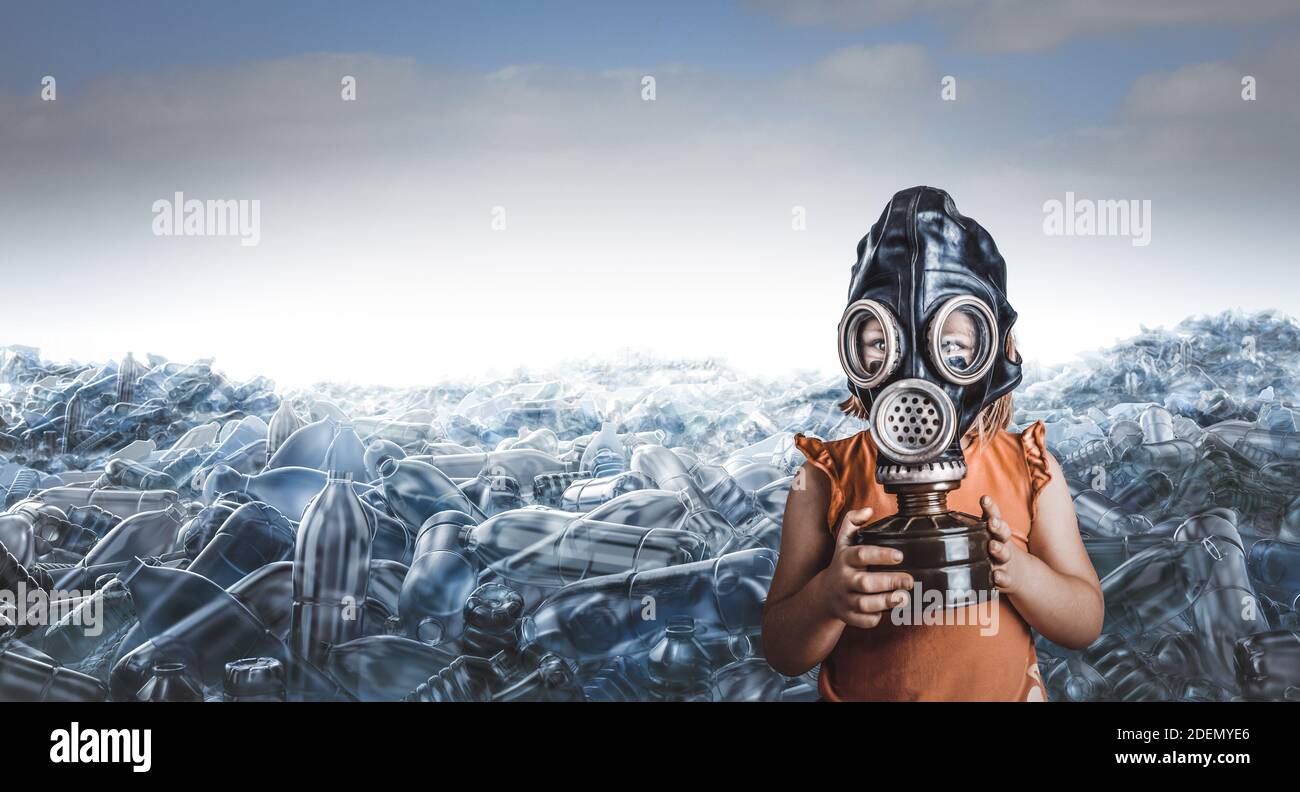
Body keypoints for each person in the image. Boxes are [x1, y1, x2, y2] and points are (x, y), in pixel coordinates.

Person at [761, 186, 1103, 701]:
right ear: (853, 351)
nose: (915, 373)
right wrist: (827, 599)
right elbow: (783, 650)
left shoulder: (1031, 469)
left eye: (952, 346)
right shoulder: (823, 477)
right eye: (883, 342)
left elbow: (1084, 622)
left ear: (996, 355)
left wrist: (1021, 573)